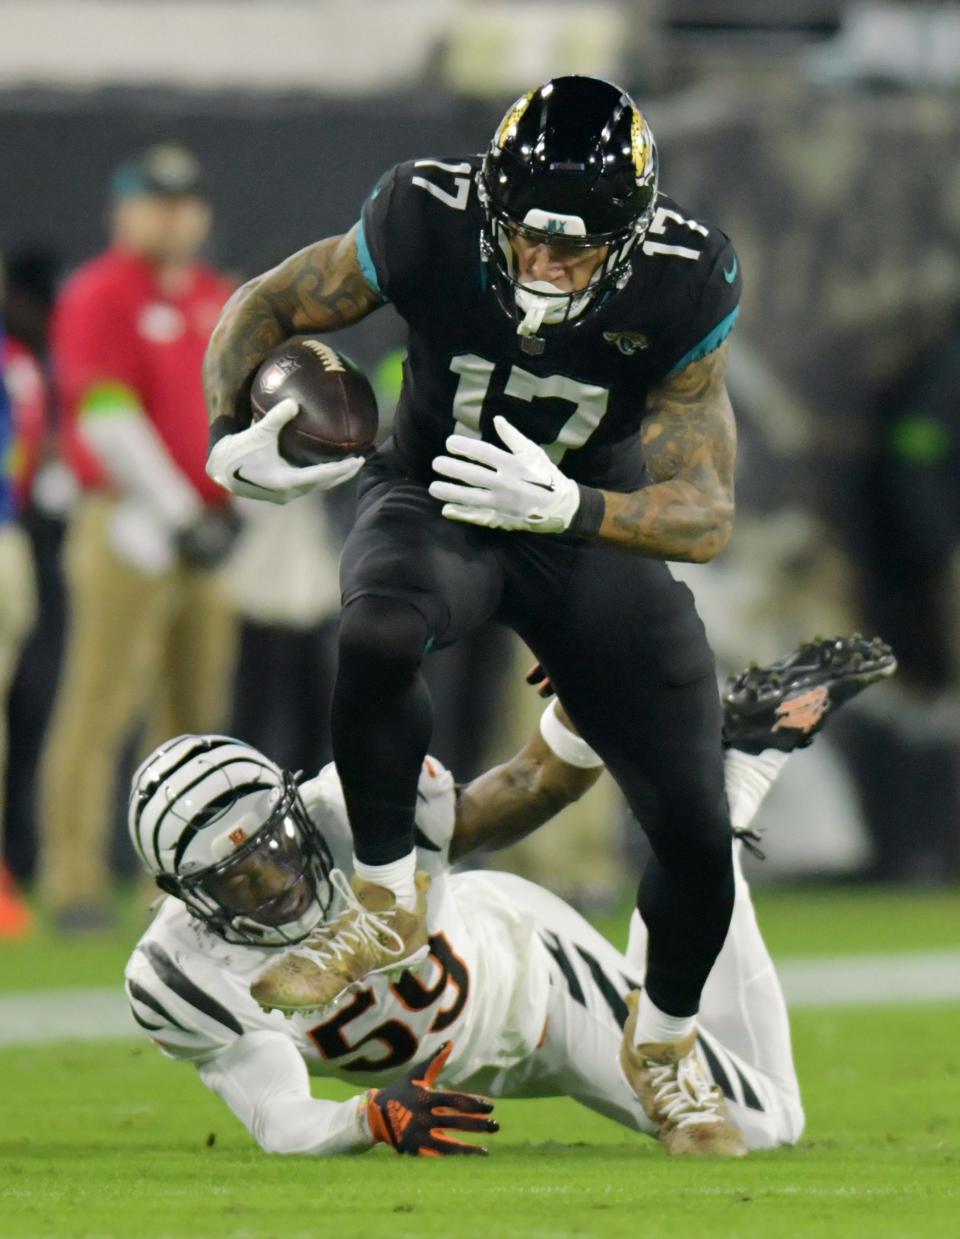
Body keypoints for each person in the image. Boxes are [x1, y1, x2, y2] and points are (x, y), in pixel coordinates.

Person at [203, 75, 744, 1151]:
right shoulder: (423, 216)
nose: (544, 266)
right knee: (377, 629)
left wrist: (578, 504)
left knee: (692, 820)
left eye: (576, 249)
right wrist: (228, 428)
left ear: (632, 241)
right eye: (527, 240)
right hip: (434, 492)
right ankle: (384, 894)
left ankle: (666, 1046)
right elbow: (264, 305)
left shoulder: (685, 282)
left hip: (575, 528)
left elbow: (706, 510)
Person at [124, 636, 895, 1159]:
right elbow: (278, 1117)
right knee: (765, 1112)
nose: (272, 880)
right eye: (235, 879)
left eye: (275, 847)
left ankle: (731, 783)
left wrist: (581, 710)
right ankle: (725, 786)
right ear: (184, 895)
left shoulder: (350, 805)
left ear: (294, 809)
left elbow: (529, 784)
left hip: (536, 979)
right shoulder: (180, 975)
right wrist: (368, 1119)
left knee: (768, 1124)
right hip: (471, 1054)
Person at [39, 144, 240, 931]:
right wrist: (180, 511)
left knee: (196, 716)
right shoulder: (98, 293)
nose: (172, 215)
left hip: (207, 529)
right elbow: (106, 414)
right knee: (100, 703)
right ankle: (75, 876)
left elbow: (237, 415)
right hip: (128, 523)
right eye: (155, 201)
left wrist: (231, 512)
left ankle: (183, 881)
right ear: (123, 211)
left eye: (184, 200)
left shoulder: (216, 296)